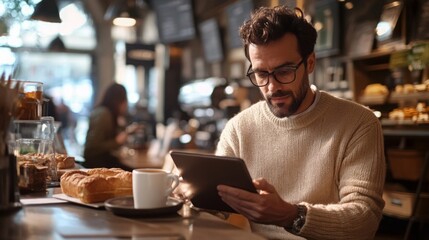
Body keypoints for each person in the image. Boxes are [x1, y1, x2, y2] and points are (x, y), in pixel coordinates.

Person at [215, 6, 385, 240]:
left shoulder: (358, 123)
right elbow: (219, 207)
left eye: (284, 71)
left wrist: (289, 215)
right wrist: (192, 195)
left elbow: (364, 219)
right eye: (261, 74)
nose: (272, 87)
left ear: (310, 63)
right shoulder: (239, 128)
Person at [83, 83, 134, 171]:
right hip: (96, 165)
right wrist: (116, 142)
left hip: (101, 163)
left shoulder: (107, 113)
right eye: (125, 100)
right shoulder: (103, 114)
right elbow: (91, 148)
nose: (126, 104)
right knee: (133, 172)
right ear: (119, 100)